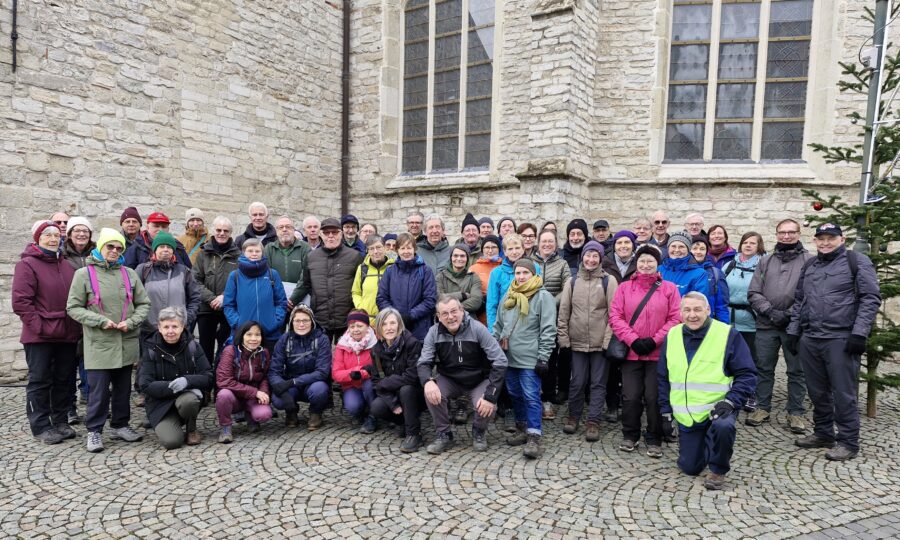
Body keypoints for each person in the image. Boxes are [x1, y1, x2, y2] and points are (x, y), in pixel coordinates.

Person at [787, 223, 881, 461]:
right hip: (811, 338)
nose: (825, 243)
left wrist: (859, 333)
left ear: (842, 239)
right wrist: (793, 331)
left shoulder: (856, 262)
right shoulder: (810, 265)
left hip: (840, 338)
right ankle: (823, 433)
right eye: (821, 238)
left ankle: (848, 441)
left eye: (831, 238)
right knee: (817, 391)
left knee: (843, 393)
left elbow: (870, 298)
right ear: (815, 241)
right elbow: (800, 300)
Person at [658, 292, 757, 490]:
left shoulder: (728, 334)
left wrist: (731, 401)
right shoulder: (673, 335)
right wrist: (665, 410)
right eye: (687, 310)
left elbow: (747, 374)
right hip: (688, 415)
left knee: (723, 427)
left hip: (718, 409)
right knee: (690, 467)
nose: (692, 315)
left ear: (708, 310)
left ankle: (718, 469)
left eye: (697, 309)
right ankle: (701, 446)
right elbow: (663, 376)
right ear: (680, 312)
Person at [66, 228, 151, 452]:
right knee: (98, 391)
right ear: (101, 247)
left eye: (118, 247)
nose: (114, 251)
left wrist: (131, 322)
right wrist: (98, 320)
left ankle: (120, 425)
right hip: (99, 342)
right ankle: (94, 430)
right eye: (110, 246)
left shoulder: (129, 274)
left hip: (125, 341)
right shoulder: (83, 274)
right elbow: (73, 307)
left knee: (123, 389)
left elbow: (144, 304)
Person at [608, 244, 681, 456]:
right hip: (632, 353)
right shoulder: (624, 288)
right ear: (636, 264)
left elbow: (675, 318)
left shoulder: (669, 288)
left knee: (654, 397)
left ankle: (654, 437)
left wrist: (654, 340)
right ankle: (630, 434)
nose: (646, 265)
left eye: (650, 261)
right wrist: (633, 340)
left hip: (657, 353)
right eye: (642, 261)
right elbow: (616, 316)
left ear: (657, 264)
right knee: (631, 396)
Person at [13, 221, 81, 444]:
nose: (53, 239)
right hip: (39, 335)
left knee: (64, 379)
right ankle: (41, 426)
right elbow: (21, 303)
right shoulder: (27, 265)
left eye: (56, 236)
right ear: (37, 239)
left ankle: (60, 421)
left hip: (66, 333)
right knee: (40, 380)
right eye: (47, 235)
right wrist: (40, 326)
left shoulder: (67, 266)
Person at [418, 295, 508, 454]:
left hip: (478, 380)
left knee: (488, 405)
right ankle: (444, 434)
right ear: (438, 317)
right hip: (450, 379)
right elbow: (424, 362)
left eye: (454, 311)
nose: (450, 317)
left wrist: (490, 395)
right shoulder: (433, 332)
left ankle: (478, 431)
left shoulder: (478, 328)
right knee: (431, 392)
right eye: (444, 314)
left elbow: (500, 361)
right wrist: (427, 381)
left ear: (462, 311)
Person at [746, 219, 812, 432]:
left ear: (798, 234)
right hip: (767, 324)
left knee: (797, 370)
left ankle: (795, 412)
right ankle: (763, 407)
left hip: (795, 326)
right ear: (776, 235)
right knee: (763, 368)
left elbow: (811, 294)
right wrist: (770, 311)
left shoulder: (809, 261)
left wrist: (789, 314)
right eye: (782, 232)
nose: (786, 236)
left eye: (791, 232)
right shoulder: (765, 261)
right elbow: (754, 292)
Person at [493, 258, 556, 459]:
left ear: (534, 274)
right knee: (515, 393)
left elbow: (548, 329)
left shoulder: (543, 296)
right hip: (509, 356)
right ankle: (522, 427)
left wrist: (544, 357)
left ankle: (534, 435)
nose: (521, 277)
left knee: (530, 396)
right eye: (518, 273)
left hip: (530, 357)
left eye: (525, 273)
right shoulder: (509, 297)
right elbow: (498, 325)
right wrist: (493, 349)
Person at [556, 240, 618, 442]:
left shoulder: (609, 281)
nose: (591, 259)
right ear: (582, 257)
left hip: (600, 342)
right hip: (577, 341)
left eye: (595, 256)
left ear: (600, 259)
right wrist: (563, 338)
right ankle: (573, 416)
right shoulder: (572, 282)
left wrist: (608, 340)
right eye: (588, 255)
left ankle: (593, 421)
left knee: (598, 383)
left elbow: (613, 314)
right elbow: (564, 311)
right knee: (577, 381)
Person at [138, 306, 213, 449]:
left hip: (186, 399)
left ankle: (191, 429)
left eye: (174, 326)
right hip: (160, 405)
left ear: (182, 327)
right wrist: (173, 386)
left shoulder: (193, 346)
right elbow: (145, 384)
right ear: (159, 328)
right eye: (166, 327)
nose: (170, 331)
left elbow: (209, 377)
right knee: (172, 442)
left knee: (189, 400)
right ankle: (172, 424)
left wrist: (187, 381)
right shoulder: (150, 349)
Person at [369, 308, 425, 452]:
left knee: (406, 390)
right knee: (376, 407)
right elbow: (377, 383)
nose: (389, 328)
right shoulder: (376, 351)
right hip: (392, 394)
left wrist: (388, 382)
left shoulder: (412, 344)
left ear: (399, 325)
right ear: (379, 328)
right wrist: (392, 404)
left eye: (393, 323)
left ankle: (414, 434)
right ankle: (403, 423)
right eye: (384, 324)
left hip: (415, 392)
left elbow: (412, 376)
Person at [269, 305, 332, 430]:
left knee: (320, 390)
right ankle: (291, 411)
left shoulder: (322, 339)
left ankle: (316, 412)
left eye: (305, 320)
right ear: (292, 322)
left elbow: (322, 372)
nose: (301, 324)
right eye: (297, 321)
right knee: (278, 398)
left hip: (313, 383)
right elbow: (274, 371)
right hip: (291, 383)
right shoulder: (284, 339)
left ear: (312, 322)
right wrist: (281, 387)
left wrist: (294, 381)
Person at [302, 217, 364, 343]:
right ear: (321, 235)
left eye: (334, 232)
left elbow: (361, 285)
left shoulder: (354, 256)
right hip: (321, 318)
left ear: (341, 234)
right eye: (326, 233)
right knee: (322, 358)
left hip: (347, 319)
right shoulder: (311, 257)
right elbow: (306, 284)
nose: (331, 236)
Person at [531, 228, 572, 419]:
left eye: (551, 241)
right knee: (531, 359)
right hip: (530, 317)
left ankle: (547, 399)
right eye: (544, 241)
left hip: (553, 317)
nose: (547, 244)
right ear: (538, 243)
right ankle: (532, 399)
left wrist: (548, 303)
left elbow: (567, 288)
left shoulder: (562, 264)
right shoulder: (530, 262)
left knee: (549, 360)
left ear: (556, 244)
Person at [135, 231, 201, 347]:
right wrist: (143, 322)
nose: (165, 250)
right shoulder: (143, 270)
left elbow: (195, 298)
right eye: (161, 246)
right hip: (149, 332)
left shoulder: (184, 271)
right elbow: (133, 298)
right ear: (154, 249)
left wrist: (185, 319)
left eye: (169, 247)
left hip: (177, 331)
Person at [222, 238, 288, 352]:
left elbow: (281, 302)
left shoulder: (273, 274)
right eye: (250, 251)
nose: (254, 254)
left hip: (270, 335)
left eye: (257, 251)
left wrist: (275, 322)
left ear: (262, 253)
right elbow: (228, 305)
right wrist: (239, 323)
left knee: (271, 367)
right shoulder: (235, 276)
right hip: (244, 335)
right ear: (244, 253)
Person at [193, 216, 240, 368]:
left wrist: (225, 297)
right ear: (213, 231)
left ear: (230, 233)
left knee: (226, 349)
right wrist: (212, 298)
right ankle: (205, 385)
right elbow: (195, 281)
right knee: (205, 348)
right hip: (206, 308)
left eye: (225, 231)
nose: (221, 233)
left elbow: (241, 282)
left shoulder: (238, 256)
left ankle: (221, 382)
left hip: (229, 309)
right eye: (218, 230)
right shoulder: (203, 254)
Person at [215, 320, 273, 443]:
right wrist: (255, 392)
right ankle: (226, 427)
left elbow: (265, 377)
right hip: (234, 396)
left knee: (264, 414)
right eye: (249, 334)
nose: (254, 338)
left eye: (257, 335)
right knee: (223, 395)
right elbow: (224, 380)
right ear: (241, 336)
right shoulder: (230, 351)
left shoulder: (264, 353)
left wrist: (263, 392)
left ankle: (250, 415)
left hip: (252, 397)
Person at [377, 233, 438, 340]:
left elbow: (430, 299)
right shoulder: (390, 271)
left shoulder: (425, 271)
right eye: (402, 248)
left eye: (409, 248)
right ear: (397, 251)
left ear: (414, 249)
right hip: (395, 327)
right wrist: (395, 316)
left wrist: (411, 316)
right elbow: (381, 298)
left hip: (420, 328)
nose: (406, 252)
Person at [64, 216, 95, 411]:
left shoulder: (97, 254)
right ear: (69, 234)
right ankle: (68, 407)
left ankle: (91, 400)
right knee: (67, 364)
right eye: (77, 230)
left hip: (92, 314)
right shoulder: (61, 255)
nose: (81, 234)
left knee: (90, 361)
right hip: (68, 314)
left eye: (85, 231)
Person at [332, 310, 379, 433]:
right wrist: (353, 373)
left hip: (371, 383)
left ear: (367, 326)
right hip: (351, 384)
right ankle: (361, 412)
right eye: (352, 326)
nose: (355, 329)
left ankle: (374, 415)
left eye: (359, 326)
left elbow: (378, 369)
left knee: (369, 386)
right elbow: (336, 373)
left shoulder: (376, 343)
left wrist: (362, 373)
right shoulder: (342, 345)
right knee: (353, 406)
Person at [486, 233, 542, 331]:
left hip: (530, 321)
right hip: (505, 323)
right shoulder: (496, 273)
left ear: (523, 249)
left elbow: (539, 295)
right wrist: (492, 331)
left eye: (517, 248)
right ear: (505, 252)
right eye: (510, 249)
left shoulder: (535, 267)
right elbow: (492, 305)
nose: (514, 252)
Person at [723, 232, 765, 360]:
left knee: (751, 359)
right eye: (745, 242)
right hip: (729, 322)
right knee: (729, 359)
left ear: (759, 246)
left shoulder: (764, 267)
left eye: (752, 243)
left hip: (752, 323)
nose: (748, 245)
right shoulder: (729, 266)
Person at [264, 216, 311, 311]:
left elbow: (306, 276)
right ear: (276, 231)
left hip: (300, 300)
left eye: (288, 227)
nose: (284, 230)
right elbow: (266, 275)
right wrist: (279, 299)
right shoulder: (269, 248)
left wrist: (293, 299)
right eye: (281, 227)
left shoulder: (305, 248)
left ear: (293, 230)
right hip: (276, 300)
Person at [123, 211, 192, 269]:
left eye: (164, 227)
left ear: (168, 229)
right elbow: (128, 274)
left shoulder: (178, 246)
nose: (160, 230)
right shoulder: (137, 247)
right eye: (156, 226)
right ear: (147, 227)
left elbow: (188, 271)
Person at [352, 235, 395, 324]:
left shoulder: (393, 267)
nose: (375, 251)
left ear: (385, 248)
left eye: (378, 247)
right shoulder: (362, 269)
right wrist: (361, 308)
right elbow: (356, 292)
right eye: (371, 249)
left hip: (389, 320)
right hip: (368, 321)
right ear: (367, 251)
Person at [690, 236, 731, 323]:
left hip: (708, 321)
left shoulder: (715, 273)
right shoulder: (682, 272)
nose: (698, 252)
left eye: (702, 249)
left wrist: (724, 327)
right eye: (694, 248)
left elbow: (722, 305)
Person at [659, 231, 711, 301]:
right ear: (668, 248)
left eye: (681, 247)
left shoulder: (699, 274)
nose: (677, 250)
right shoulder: (658, 270)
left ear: (688, 250)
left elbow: (699, 302)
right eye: (673, 246)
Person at [436, 244, 483, 317]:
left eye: (462, 256)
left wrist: (453, 309)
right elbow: (439, 298)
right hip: (446, 319)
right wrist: (462, 295)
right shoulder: (440, 276)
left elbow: (476, 301)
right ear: (451, 258)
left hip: (468, 320)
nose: (458, 258)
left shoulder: (473, 277)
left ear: (467, 258)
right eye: (455, 255)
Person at [468, 235, 502, 324]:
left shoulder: (503, 267)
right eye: (487, 247)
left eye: (494, 247)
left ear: (499, 249)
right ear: (482, 250)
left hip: (501, 315)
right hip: (480, 316)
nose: (490, 250)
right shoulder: (473, 269)